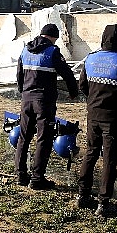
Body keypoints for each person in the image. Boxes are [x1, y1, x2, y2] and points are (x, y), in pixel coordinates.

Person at [76, 24, 117, 217]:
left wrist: (93, 100)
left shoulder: (91, 59)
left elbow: (82, 85)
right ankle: (104, 203)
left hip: (93, 114)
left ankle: (83, 195)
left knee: (90, 153)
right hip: (113, 117)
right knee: (109, 159)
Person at [15, 23, 79, 190]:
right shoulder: (53, 51)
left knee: (24, 137)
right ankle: (37, 179)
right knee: (44, 139)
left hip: (27, 99)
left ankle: (20, 175)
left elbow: (19, 75)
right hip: (44, 102)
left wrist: (24, 92)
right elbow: (67, 73)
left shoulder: (25, 50)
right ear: (53, 37)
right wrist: (74, 91)